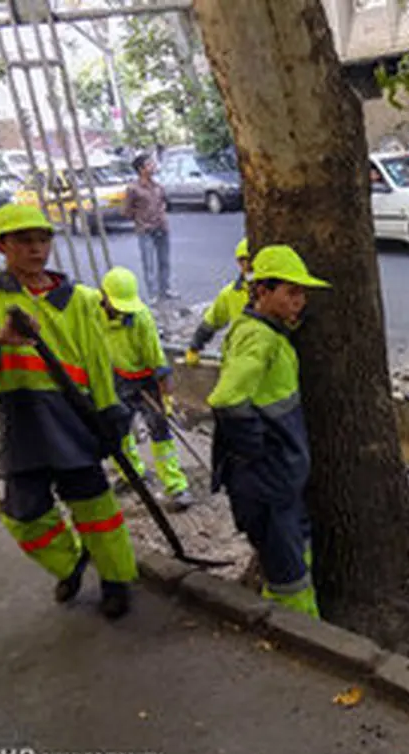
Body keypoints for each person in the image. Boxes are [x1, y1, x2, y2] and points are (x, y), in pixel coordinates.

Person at [0, 204, 136, 619]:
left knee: (97, 511)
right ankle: (69, 563)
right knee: (24, 515)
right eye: (24, 241)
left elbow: (101, 364)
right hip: (24, 424)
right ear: (2, 246)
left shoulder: (81, 301)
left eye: (43, 240)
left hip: (75, 421)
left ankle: (116, 580)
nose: (36, 249)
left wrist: (110, 416)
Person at [207, 245, 330, 619]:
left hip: (279, 482)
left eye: (302, 292)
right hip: (267, 482)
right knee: (290, 579)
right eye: (291, 292)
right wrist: (255, 451)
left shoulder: (267, 331)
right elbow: (227, 398)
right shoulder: (258, 339)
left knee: (296, 551)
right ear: (262, 291)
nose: (300, 300)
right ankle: (306, 637)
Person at [100, 266, 194, 511]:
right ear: (104, 297)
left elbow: (158, 361)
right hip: (118, 377)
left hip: (146, 380)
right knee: (118, 430)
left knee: (159, 430)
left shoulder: (140, 318)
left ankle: (175, 486)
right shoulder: (95, 314)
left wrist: (166, 398)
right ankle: (131, 474)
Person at [186, 238, 252, 364]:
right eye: (243, 260)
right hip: (238, 356)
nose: (248, 265)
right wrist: (194, 347)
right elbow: (211, 322)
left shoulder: (273, 292)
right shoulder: (230, 294)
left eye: (250, 260)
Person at [124, 153, 175, 302]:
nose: (153, 166)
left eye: (152, 164)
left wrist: (162, 214)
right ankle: (153, 294)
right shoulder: (133, 188)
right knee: (149, 263)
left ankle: (165, 289)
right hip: (146, 230)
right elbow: (126, 211)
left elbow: (164, 202)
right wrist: (141, 219)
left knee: (164, 261)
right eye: (149, 164)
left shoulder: (158, 186)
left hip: (162, 227)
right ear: (141, 169)